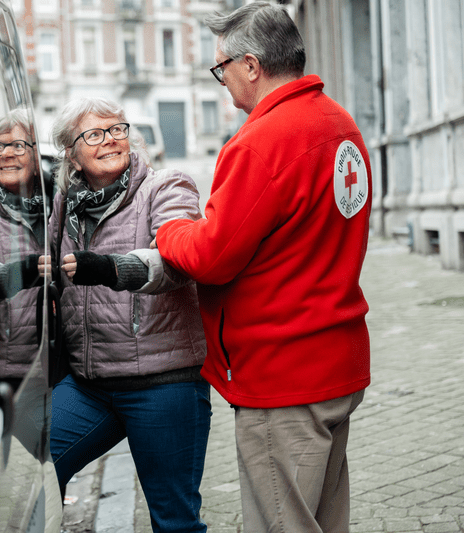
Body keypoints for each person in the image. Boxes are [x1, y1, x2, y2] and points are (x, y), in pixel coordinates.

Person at [154, 3, 372, 532]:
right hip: (336, 360)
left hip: (282, 375)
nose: (221, 82)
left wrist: (168, 231)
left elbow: (211, 256)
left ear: (251, 65)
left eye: (221, 67)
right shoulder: (340, 124)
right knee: (325, 519)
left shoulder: (261, 141)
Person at [47, 97, 211, 533]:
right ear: (71, 152)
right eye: (95, 134)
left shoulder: (166, 187)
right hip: (89, 388)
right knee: (35, 469)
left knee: (174, 521)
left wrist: (112, 267)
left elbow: (176, 261)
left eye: (117, 129)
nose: (111, 141)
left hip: (163, 384)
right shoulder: (64, 206)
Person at [0, 107, 47, 388]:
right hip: (6, 364)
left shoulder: (58, 202)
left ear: (36, 153)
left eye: (17, 145)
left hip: (58, 360)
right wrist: (25, 271)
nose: (6, 154)